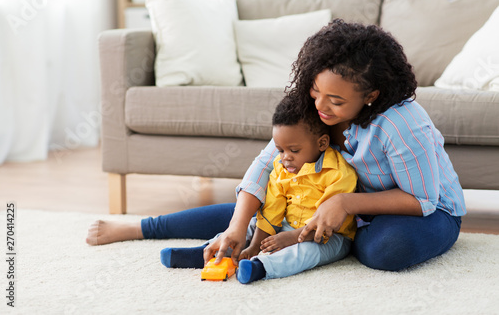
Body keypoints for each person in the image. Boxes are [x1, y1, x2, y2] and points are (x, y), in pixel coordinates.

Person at [87, 19, 466, 272]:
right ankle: (140, 227)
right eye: (316, 92)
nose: (321, 107)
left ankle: (337, 238)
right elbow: (265, 165)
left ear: (371, 95)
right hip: (333, 204)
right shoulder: (313, 109)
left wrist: (344, 204)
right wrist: (239, 228)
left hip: (426, 212)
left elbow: (423, 199)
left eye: (335, 101)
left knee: (385, 251)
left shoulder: (402, 124)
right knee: (253, 213)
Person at [235, 96, 357, 283]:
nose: (286, 158)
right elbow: (272, 208)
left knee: (305, 252)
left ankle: (260, 267)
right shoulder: (280, 167)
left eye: (294, 150)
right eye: (280, 150)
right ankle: (215, 250)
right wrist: (255, 245)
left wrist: (292, 237)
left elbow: (327, 223)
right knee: (253, 225)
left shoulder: (339, 173)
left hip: (330, 237)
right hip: (288, 225)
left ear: (322, 143)